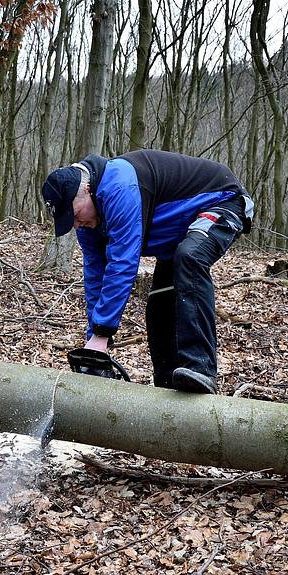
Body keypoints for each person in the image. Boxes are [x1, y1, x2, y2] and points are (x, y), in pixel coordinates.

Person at [42, 149, 255, 395]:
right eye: (71, 222)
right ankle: (166, 391)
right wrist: (95, 342)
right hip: (176, 237)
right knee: (158, 308)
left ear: (87, 190)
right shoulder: (87, 223)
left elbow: (122, 263)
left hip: (223, 201)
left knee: (191, 257)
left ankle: (201, 368)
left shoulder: (119, 186)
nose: (77, 224)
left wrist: (103, 332)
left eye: (76, 215)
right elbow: (95, 277)